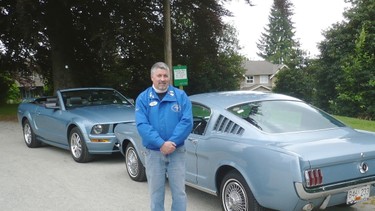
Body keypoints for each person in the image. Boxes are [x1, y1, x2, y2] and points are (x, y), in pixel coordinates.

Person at [135, 62, 193, 211]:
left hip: (176, 151)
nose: (162, 79)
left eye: (165, 75)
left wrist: (172, 142)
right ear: (152, 78)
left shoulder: (180, 96)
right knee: (156, 194)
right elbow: (142, 125)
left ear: (169, 77)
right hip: (153, 153)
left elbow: (187, 122)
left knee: (179, 193)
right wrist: (161, 144)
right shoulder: (143, 98)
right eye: (159, 75)